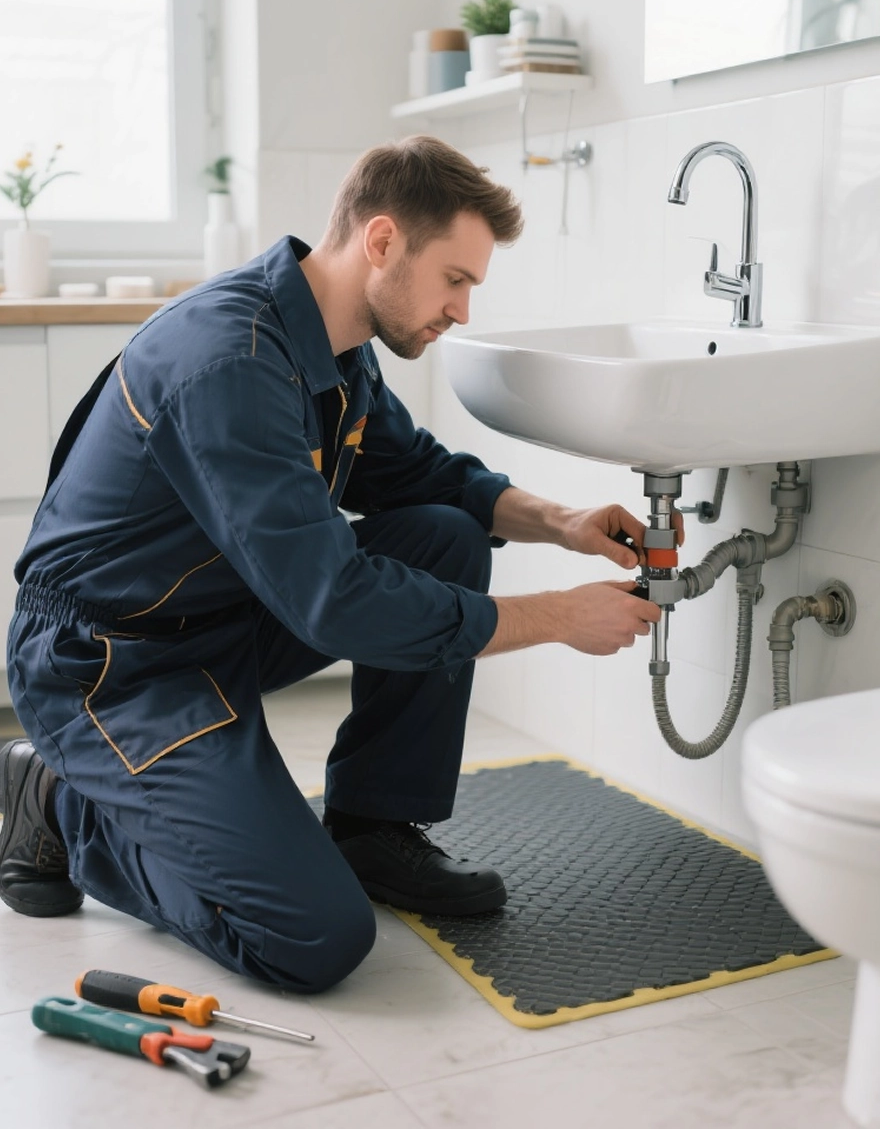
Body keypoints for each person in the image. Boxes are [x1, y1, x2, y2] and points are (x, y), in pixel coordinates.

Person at [0, 135, 660, 994]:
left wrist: (562, 521)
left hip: (221, 622)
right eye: (455, 279)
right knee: (312, 937)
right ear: (382, 242)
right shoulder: (228, 361)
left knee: (440, 534)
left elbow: (420, 476)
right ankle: (58, 801)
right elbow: (335, 601)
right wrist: (558, 618)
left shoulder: (335, 346)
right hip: (114, 668)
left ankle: (374, 830)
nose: (463, 310)